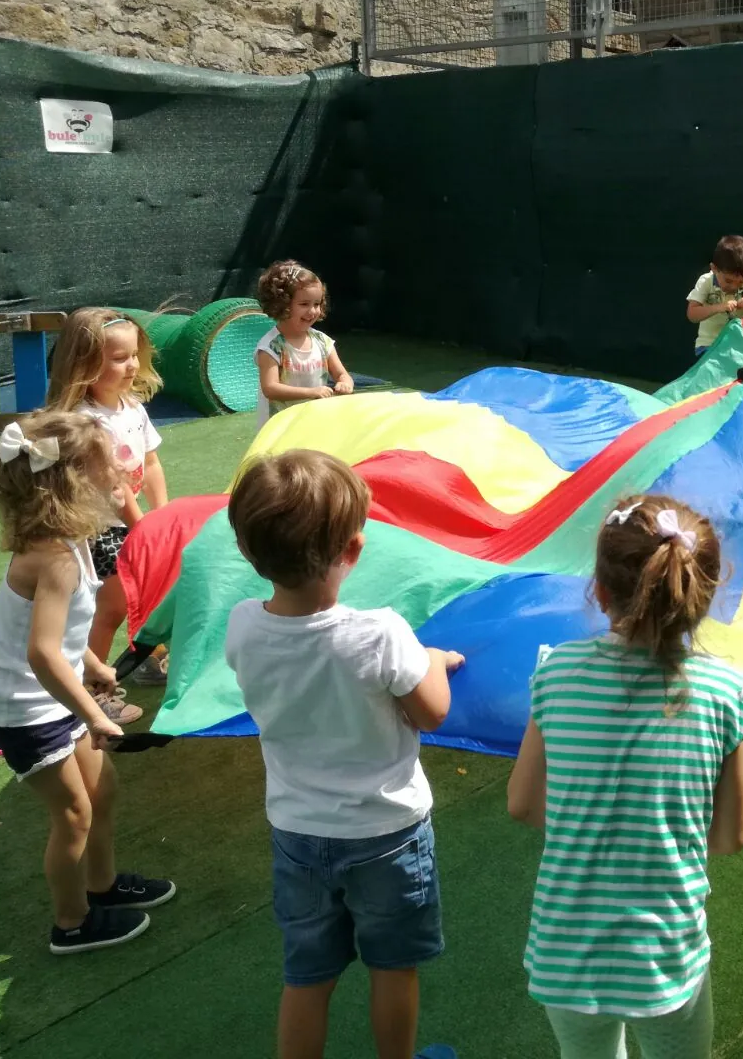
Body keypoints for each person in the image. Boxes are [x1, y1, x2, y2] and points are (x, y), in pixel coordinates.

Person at [224, 450, 461, 1059]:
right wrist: (432, 661)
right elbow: (431, 711)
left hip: (297, 831)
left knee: (308, 974)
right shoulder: (380, 632)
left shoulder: (243, 625)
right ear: (352, 551)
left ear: (249, 554)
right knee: (393, 966)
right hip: (387, 834)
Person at [508, 495, 743, 1059]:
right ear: (703, 594)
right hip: (665, 955)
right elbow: (731, 835)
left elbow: (523, 804)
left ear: (598, 590)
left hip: (565, 953)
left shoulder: (556, 672)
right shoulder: (727, 692)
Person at [0, 411, 176, 955]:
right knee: (74, 814)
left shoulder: (73, 541)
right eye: (106, 461)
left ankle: (101, 887)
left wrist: (90, 660)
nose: (120, 466)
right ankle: (71, 923)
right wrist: (93, 709)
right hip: (22, 708)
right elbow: (40, 652)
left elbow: (53, 636)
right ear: (72, 483)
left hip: (52, 694)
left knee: (102, 790)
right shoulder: (55, 557)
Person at [47, 307, 170, 711]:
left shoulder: (131, 408)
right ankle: (92, 690)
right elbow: (114, 485)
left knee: (151, 593)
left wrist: (163, 516)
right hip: (99, 526)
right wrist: (142, 527)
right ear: (83, 364)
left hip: (129, 523)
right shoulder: (86, 420)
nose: (132, 365)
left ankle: (149, 659)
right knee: (114, 607)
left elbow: (150, 464)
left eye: (134, 354)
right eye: (119, 358)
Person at [255, 260, 354, 426]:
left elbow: (342, 374)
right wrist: (311, 392)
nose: (313, 311)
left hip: (312, 422)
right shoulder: (271, 347)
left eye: (317, 304)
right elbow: (270, 388)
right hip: (280, 426)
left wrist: (345, 384)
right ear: (282, 304)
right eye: (304, 304)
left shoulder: (322, 342)